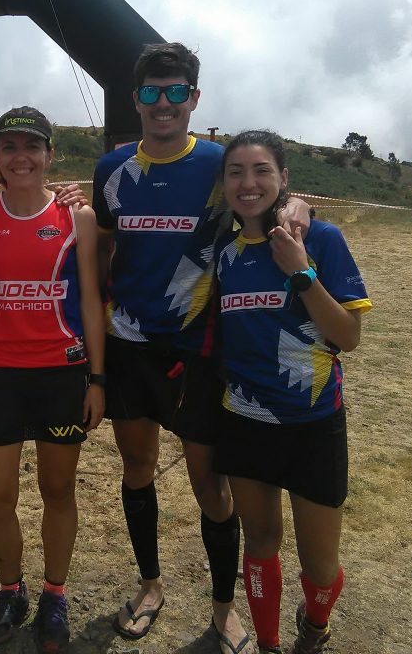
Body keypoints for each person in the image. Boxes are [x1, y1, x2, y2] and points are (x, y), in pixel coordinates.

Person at [93, 43, 309, 651]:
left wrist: (298, 204)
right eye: (151, 92)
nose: (162, 103)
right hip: (127, 344)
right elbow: (103, 245)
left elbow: (269, 194)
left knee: (210, 487)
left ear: (194, 98)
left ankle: (223, 609)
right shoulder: (112, 169)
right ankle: (150, 585)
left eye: (175, 92)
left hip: (199, 350)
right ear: (136, 99)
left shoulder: (219, 165)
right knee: (137, 468)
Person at [213, 130, 370, 653]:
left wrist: (301, 272)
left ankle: (316, 622)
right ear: (224, 183)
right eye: (236, 172)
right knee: (260, 542)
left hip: (313, 423)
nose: (248, 183)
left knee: (320, 566)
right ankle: (268, 643)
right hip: (244, 418)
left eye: (261, 170)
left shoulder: (322, 238)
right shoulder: (222, 248)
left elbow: (348, 336)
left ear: (283, 178)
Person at [0, 107, 105, 653]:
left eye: (32, 147)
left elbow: (90, 300)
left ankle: (54, 594)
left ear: (49, 155)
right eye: (9, 147)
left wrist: (97, 378)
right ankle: (10, 590)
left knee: (58, 491)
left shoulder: (77, 218)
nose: (20, 157)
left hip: (61, 374)